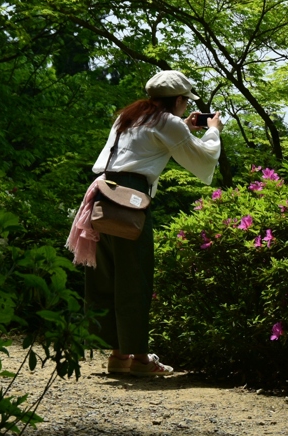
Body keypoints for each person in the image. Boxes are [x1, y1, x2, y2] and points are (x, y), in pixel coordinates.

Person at [80, 70, 222, 375]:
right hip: (131, 201)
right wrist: (212, 130)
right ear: (179, 99)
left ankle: (118, 356)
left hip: (102, 197)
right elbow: (204, 157)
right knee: (135, 277)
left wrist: (182, 127)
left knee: (108, 275)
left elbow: (145, 146)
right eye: (185, 101)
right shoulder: (167, 122)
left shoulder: (128, 117)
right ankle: (142, 360)